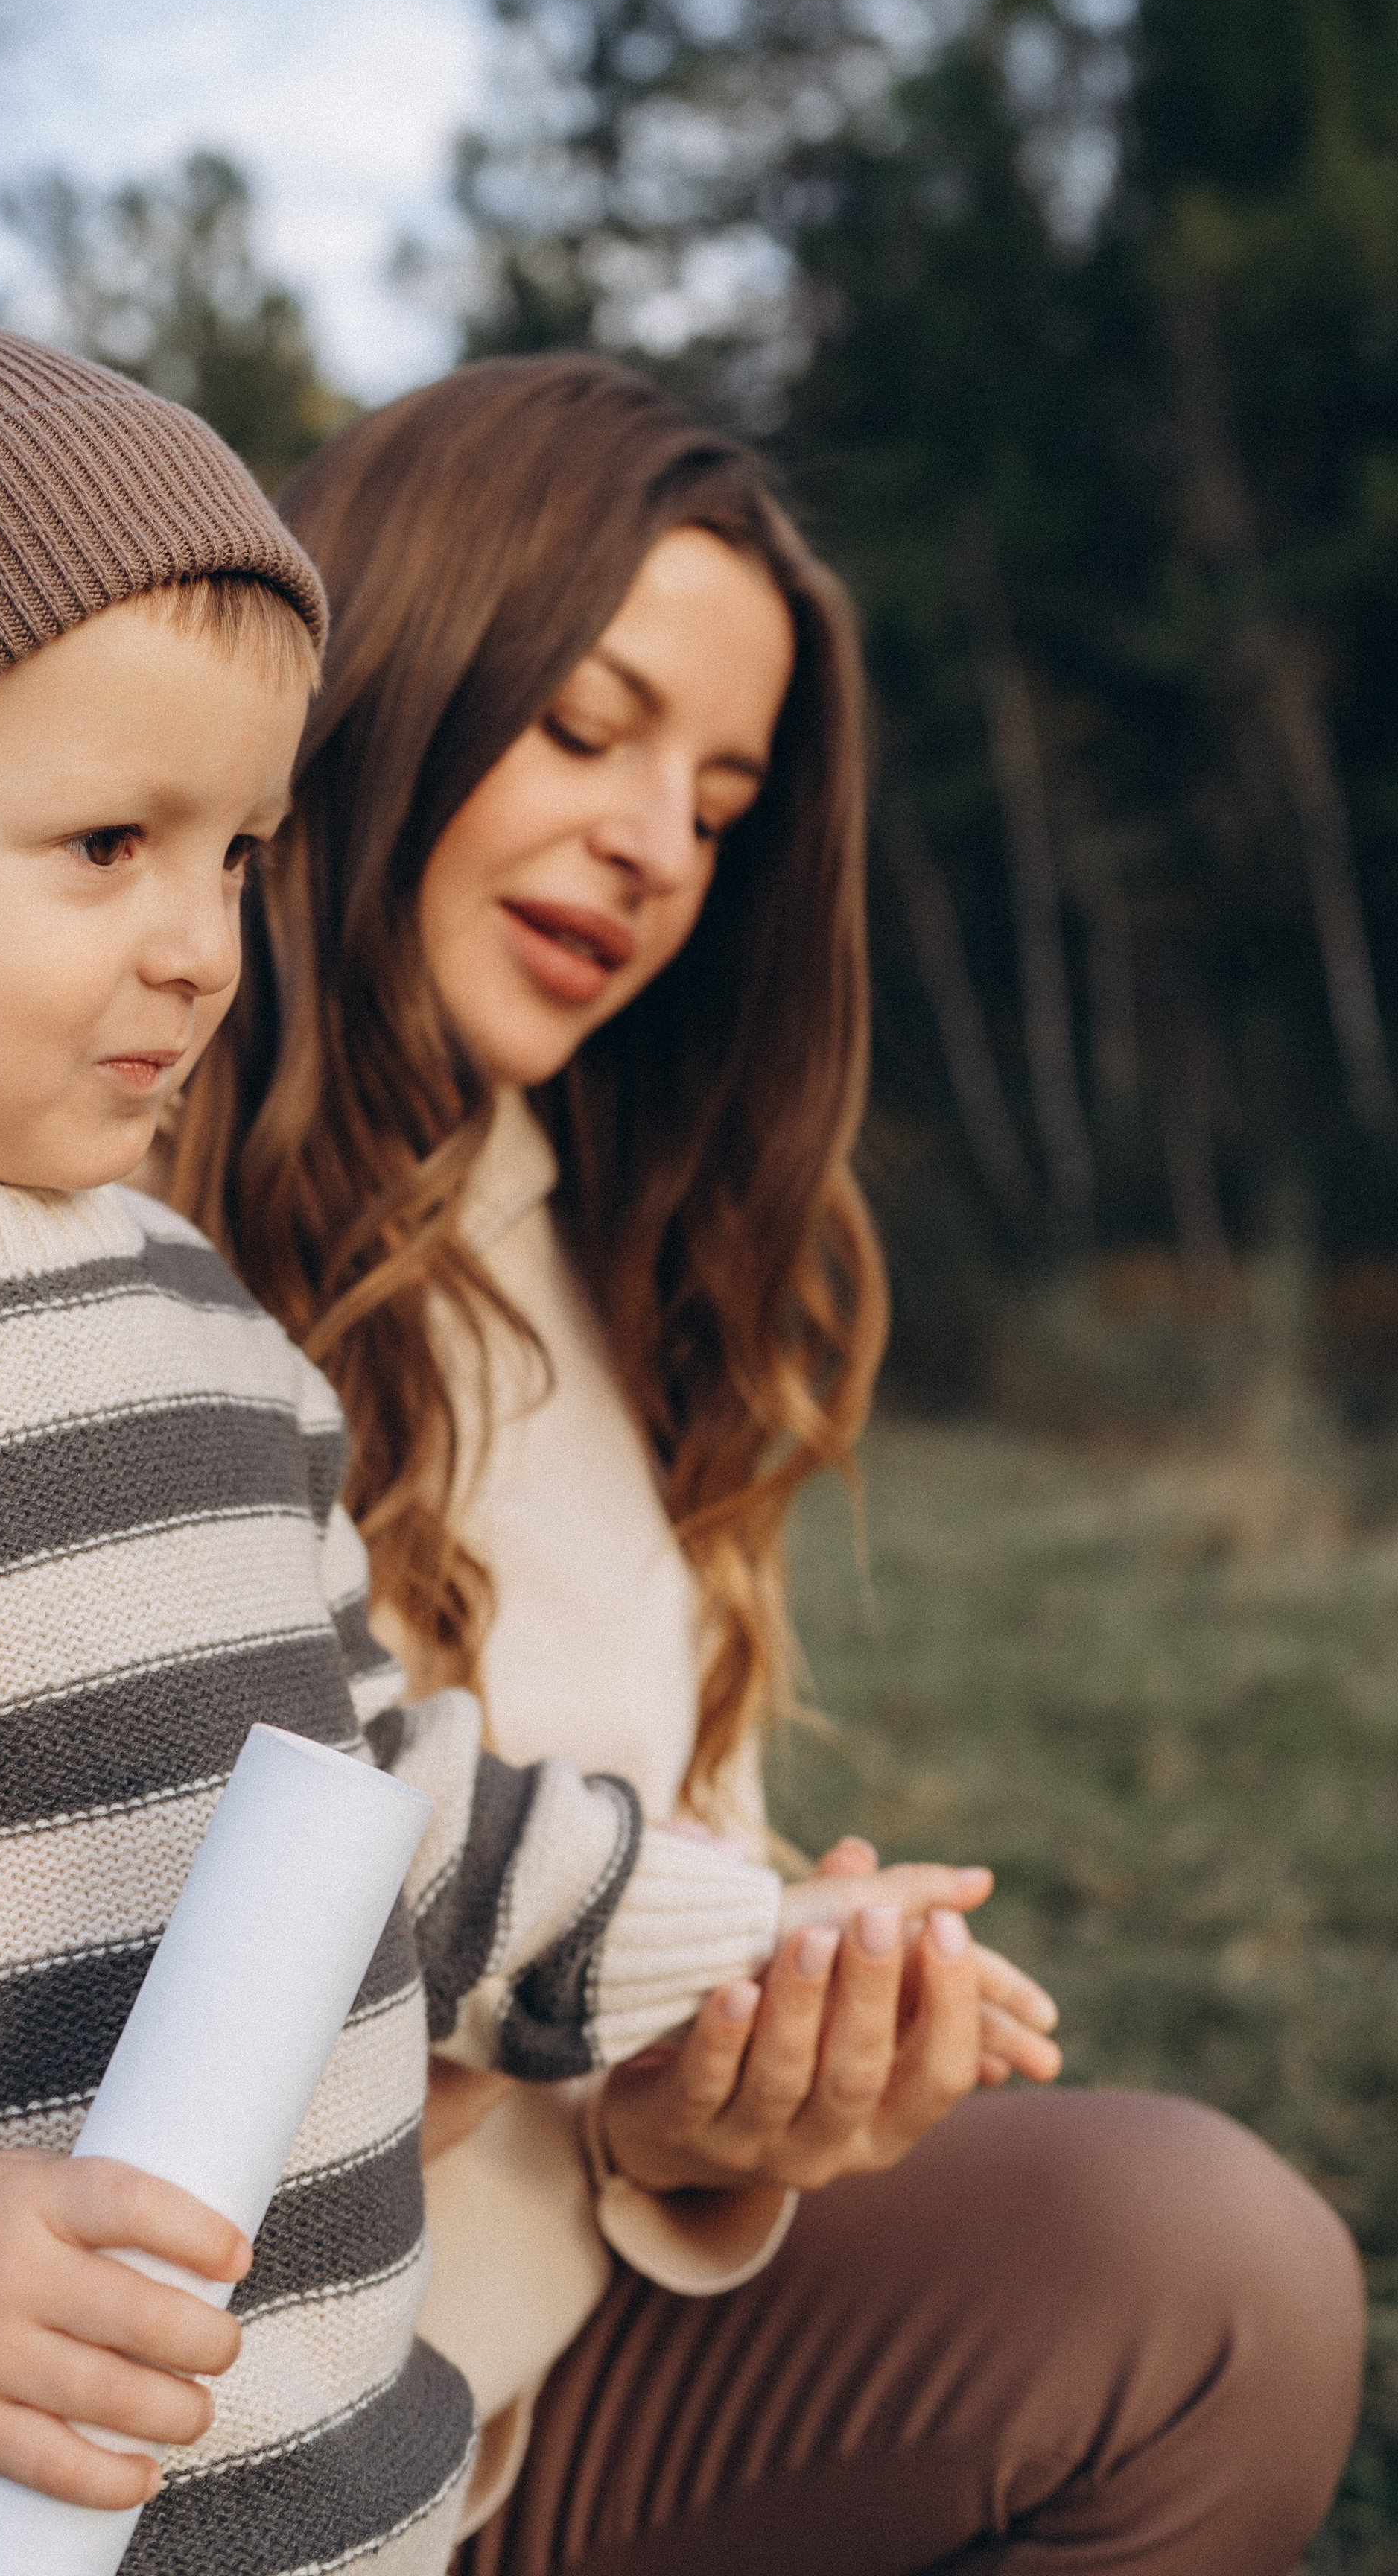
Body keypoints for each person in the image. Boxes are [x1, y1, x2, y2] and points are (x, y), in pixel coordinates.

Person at [0, 211, 986, 2576]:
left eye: (236, 855)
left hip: (339, 2513)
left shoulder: (200, 1329)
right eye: (109, 847)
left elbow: (387, 1788)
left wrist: (752, 1945)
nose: (198, 937)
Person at [168, 352, 1367, 2575]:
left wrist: (716, 2100)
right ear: (400, 675)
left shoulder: (591, 1244)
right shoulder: (83, 1222)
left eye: (719, 806)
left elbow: (648, 1914)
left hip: (536, 2375)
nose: (652, 851)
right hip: (190, 2458)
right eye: (591, 728)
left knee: (1211, 2274)